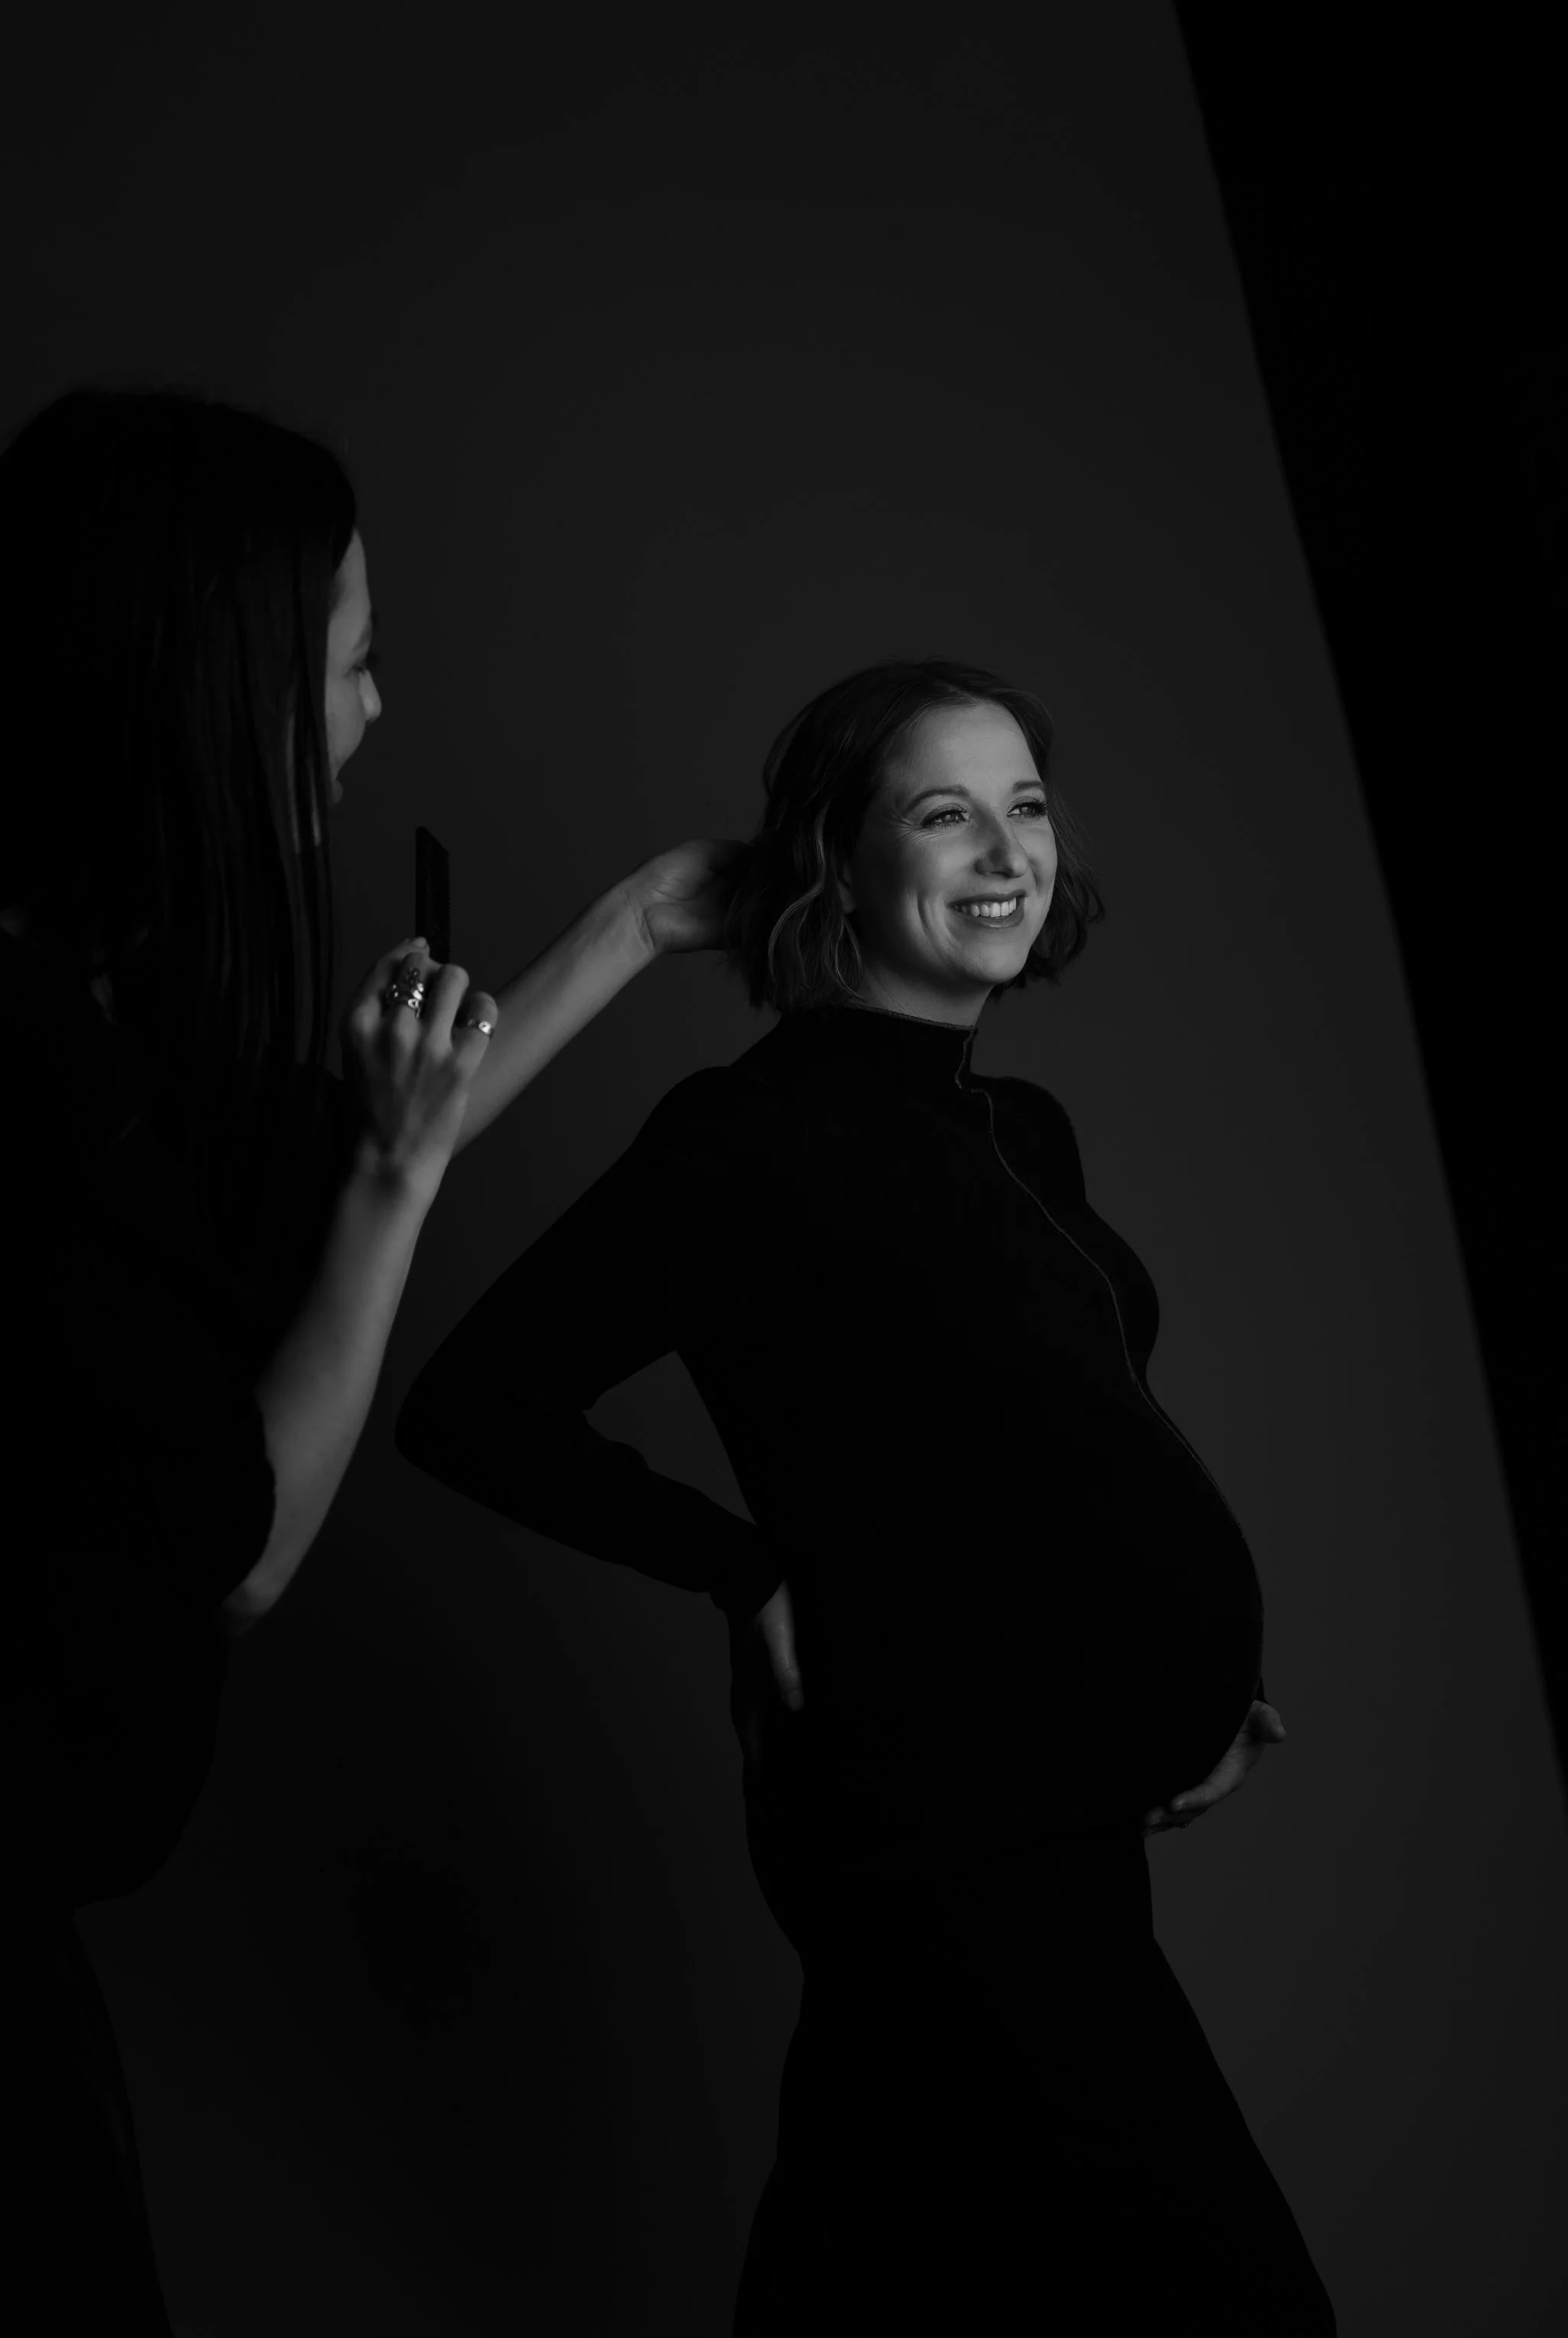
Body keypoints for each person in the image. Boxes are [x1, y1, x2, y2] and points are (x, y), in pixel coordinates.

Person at [393, 658, 1338, 2334]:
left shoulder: (1023, 1130)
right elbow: (475, 1404)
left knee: (880, 2248)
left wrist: (1176, 1679)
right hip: (932, 1817)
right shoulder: (751, 1140)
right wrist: (738, 1567)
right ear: (836, 858)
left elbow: (1049, 1451)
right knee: (1221, 2296)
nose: (1002, 849)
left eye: (1026, 805)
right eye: (941, 810)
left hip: (1051, 1808)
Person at [0, 381, 770, 2333]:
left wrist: (627, 928)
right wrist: (400, 1186)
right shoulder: (33, 1089)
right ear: (216, 689)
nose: (370, 711)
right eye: (345, 661)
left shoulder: (88, 1008)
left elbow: (353, 1144)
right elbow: (231, 1553)